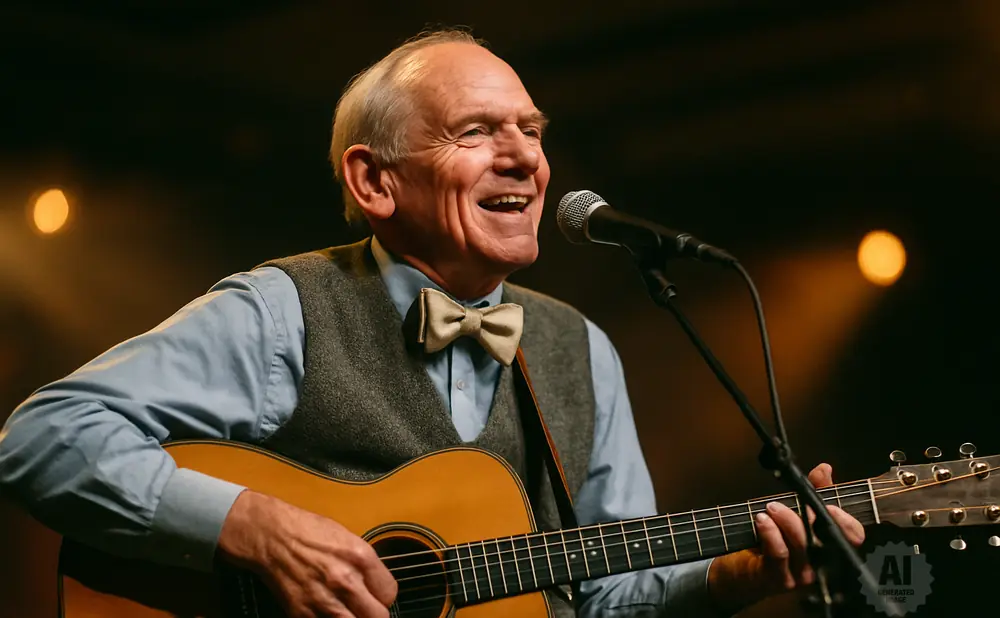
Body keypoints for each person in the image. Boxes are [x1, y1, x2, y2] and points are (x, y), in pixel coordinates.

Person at [0, 29, 864, 618]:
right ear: (374, 182)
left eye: (531, 129)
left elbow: (602, 596)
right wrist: (252, 527)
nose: (524, 156)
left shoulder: (580, 349)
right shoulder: (283, 311)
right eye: (476, 131)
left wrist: (731, 577)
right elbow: (44, 436)